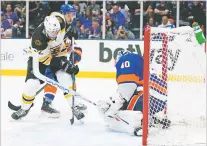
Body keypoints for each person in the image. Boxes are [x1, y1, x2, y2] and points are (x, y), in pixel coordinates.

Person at [11, 13, 85, 121]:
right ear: (46, 29)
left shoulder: (59, 20)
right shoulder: (38, 40)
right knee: (32, 84)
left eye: (56, 31)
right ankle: (24, 108)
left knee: (65, 78)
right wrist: (63, 64)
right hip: (40, 60)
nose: (54, 34)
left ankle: (74, 105)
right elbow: (48, 61)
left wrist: (70, 30)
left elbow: (63, 25)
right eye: (51, 32)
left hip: (58, 54)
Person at [97, 50, 171, 136]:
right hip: (159, 100)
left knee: (124, 110)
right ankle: (151, 118)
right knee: (128, 101)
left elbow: (127, 89)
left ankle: (140, 124)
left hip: (148, 96)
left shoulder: (126, 59)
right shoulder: (139, 62)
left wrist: (112, 109)